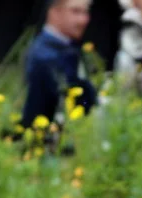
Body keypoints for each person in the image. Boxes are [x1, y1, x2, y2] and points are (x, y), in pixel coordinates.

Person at [21, 0, 97, 128]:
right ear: (54, 12)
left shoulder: (70, 47)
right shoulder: (44, 56)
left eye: (86, 12)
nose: (84, 20)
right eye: (75, 11)